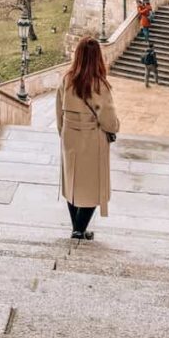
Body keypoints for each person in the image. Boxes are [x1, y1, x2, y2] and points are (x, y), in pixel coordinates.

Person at [56, 37, 119, 240]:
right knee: (92, 188)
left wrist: (65, 132)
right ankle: (78, 231)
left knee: (72, 184)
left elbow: (59, 113)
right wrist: (115, 126)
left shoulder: (66, 80)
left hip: (69, 138)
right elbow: (109, 121)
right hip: (91, 141)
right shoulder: (99, 85)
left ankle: (78, 229)